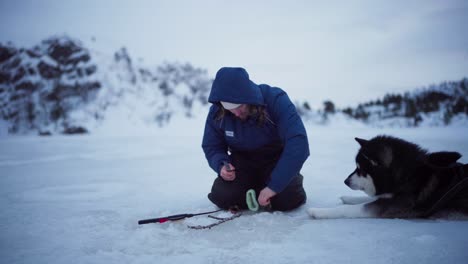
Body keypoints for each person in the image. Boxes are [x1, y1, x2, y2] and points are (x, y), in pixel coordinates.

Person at [202, 67, 309, 211]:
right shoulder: (217, 112)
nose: (236, 112)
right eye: (230, 108)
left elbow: (298, 142)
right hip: (241, 163)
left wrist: (274, 186)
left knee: (287, 198)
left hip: (275, 160)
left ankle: (271, 186)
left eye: (239, 106)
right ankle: (256, 190)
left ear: (247, 97)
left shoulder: (275, 99)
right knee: (223, 196)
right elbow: (212, 145)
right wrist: (221, 165)